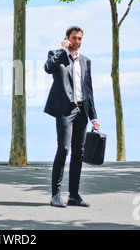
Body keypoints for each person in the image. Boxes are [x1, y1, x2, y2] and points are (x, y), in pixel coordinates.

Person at [44, 26, 100, 208]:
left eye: (80, 38)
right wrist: (63, 50)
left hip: (81, 111)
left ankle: (74, 195)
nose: (77, 41)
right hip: (65, 111)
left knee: (79, 153)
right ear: (67, 39)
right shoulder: (57, 55)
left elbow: (88, 90)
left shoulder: (85, 61)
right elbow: (48, 68)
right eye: (74, 38)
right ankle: (55, 195)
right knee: (63, 149)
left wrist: (94, 117)